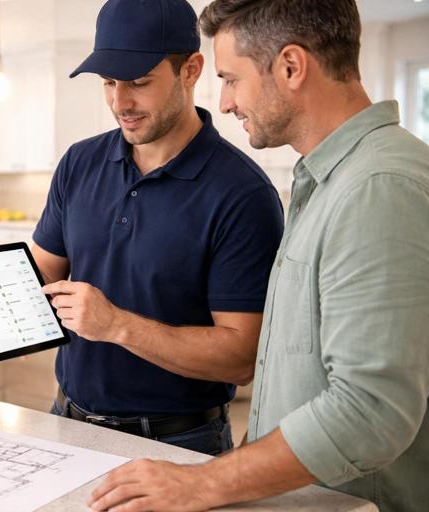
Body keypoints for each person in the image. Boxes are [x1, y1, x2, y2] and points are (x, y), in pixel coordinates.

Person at [88, 0, 429, 510]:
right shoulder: (328, 180)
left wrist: (200, 482)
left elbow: (369, 412)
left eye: (231, 79)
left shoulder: (377, 187)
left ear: (291, 67)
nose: (224, 103)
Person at [31, 0, 284, 456]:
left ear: (191, 71)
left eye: (139, 82)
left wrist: (116, 325)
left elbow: (242, 357)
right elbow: (44, 271)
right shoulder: (79, 163)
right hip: (67, 422)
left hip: (178, 442)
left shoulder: (242, 194)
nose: (119, 102)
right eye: (108, 83)